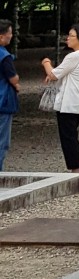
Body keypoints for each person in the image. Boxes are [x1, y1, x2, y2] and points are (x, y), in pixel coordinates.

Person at [42, 23, 79, 172]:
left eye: (71, 36)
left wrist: (46, 62)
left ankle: (75, 167)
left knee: (68, 137)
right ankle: (74, 167)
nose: (68, 38)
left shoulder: (75, 56)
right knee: (71, 135)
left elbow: (53, 74)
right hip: (78, 101)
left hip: (68, 103)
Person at [0, 20, 19, 171]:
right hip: (3, 101)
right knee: (2, 141)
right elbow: (13, 78)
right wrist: (17, 84)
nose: (11, 36)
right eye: (10, 33)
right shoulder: (4, 56)